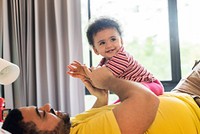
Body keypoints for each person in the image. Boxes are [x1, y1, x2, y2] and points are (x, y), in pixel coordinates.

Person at [2, 60, 200, 134]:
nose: (47, 106)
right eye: (42, 114)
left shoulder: (69, 128)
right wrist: (109, 81)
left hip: (183, 95)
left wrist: (100, 94)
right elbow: (147, 101)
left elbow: (101, 111)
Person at [68, 17, 164, 103]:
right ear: (95, 50)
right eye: (102, 43)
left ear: (121, 41)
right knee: (115, 106)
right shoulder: (104, 63)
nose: (109, 45)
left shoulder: (122, 57)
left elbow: (101, 77)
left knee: (135, 93)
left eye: (113, 39)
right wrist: (85, 74)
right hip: (134, 89)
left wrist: (84, 71)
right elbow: (98, 80)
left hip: (150, 85)